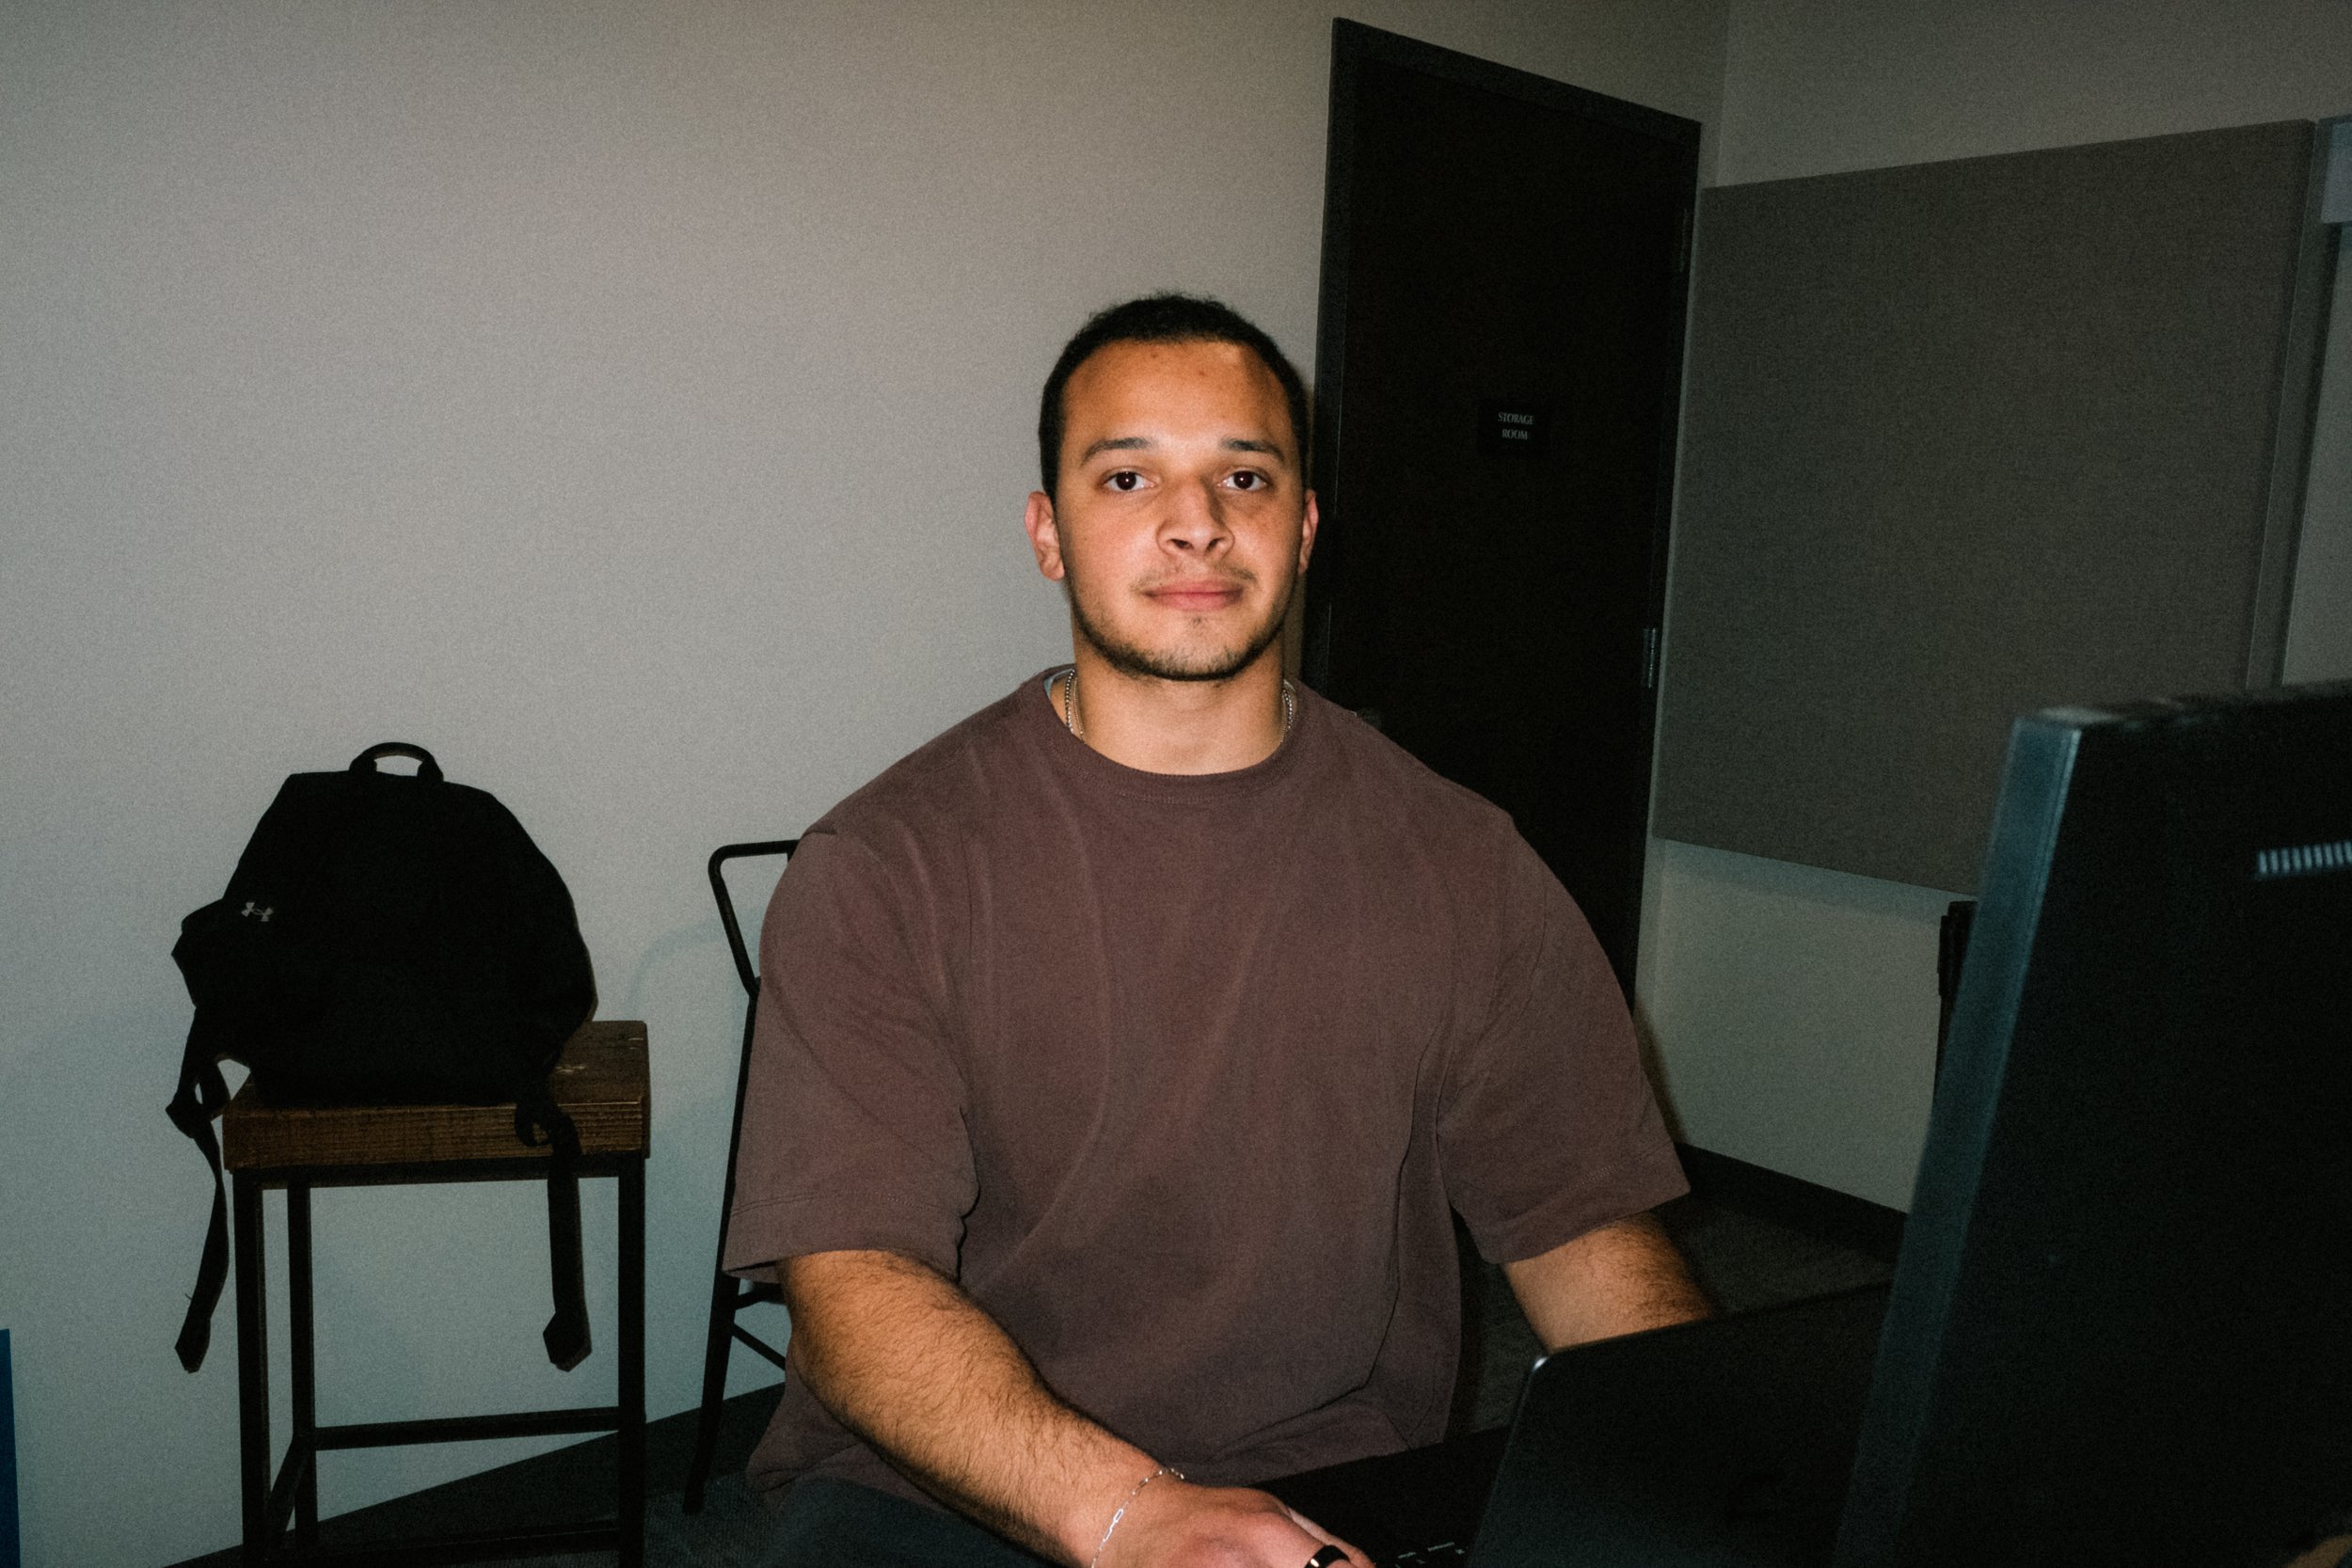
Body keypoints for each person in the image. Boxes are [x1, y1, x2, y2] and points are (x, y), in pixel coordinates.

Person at [725, 293, 1708, 1568]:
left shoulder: (1465, 865)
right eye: (1128, 475)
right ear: (1047, 535)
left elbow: (1585, 1238)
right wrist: (1129, 1514)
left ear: (1302, 530)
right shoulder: (886, 867)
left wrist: (1715, 1479)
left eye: (1244, 476)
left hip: (1331, 1483)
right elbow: (852, 1288)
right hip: (946, 1488)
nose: (1196, 522)